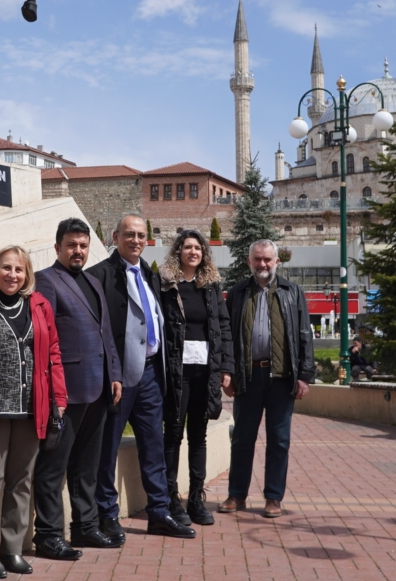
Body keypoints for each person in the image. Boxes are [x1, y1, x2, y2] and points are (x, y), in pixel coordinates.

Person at [87, 214, 196, 540]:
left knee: (154, 446)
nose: (135, 240)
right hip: (118, 378)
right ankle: (107, 514)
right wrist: (110, 373)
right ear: (115, 237)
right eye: (129, 234)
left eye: (140, 235)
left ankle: (159, 512)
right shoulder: (100, 276)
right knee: (108, 449)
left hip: (151, 374)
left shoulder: (149, 275)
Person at [0, 246, 67, 579]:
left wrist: (59, 398)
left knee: (22, 481)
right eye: (6, 268)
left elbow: (52, 353)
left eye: (19, 270)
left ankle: (11, 549)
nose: (12, 275)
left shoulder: (39, 306)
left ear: (27, 274)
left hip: (30, 408)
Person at [32, 219, 124, 559]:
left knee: (87, 463)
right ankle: (48, 535)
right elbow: (44, 339)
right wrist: (52, 390)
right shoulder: (46, 280)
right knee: (54, 465)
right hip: (66, 391)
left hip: (98, 387)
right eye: (71, 245)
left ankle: (85, 527)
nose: (78, 251)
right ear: (58, 247)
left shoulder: (92, 281)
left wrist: (114, 374)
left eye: (83, 245)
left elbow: (105, 332)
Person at [218, 239, 315, 519]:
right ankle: (237, 495)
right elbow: (228, 337)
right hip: (248, 377)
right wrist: (229, 372)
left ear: (276, 262)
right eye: (257, 259)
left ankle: (273, 498)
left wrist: (305, 375)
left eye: (267, 260)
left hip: (281, 378)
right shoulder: (237, 293)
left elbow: (304, 335)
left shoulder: (292, 292)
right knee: (242, 439)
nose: (262, 264)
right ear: (249, 262)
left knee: (279, 440)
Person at [159, 229, 234, 526]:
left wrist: (226, 368)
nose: (193, 252)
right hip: (177, 374)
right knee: (173, 435)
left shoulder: (211, 286)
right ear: (178, 251)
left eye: (198, 248)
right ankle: (171, 499)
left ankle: (195, 501)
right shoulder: (166, 284)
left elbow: (224, 328)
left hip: (205, 373)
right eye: (188, 247)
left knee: (199, 437)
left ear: (204, 254)